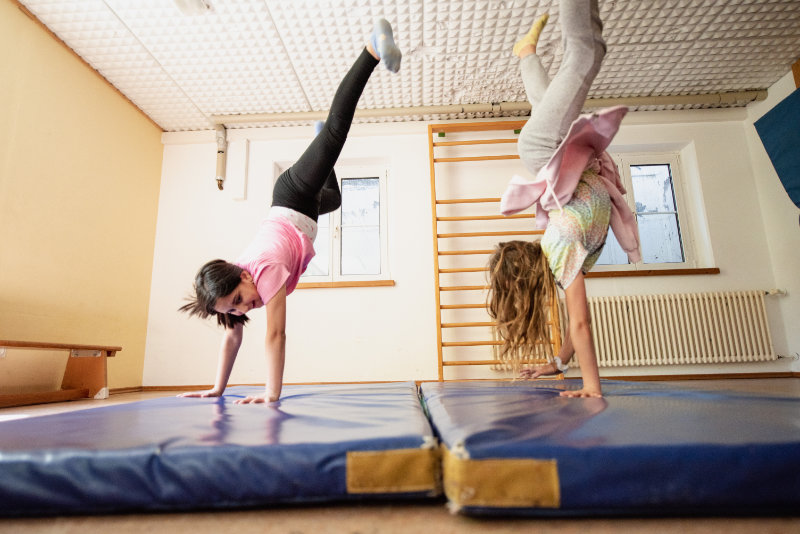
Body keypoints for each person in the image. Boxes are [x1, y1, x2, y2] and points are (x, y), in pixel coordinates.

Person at [178, 19, 402, 404]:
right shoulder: (236, 296)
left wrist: (272, 394)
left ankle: (371, 49)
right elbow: (232, 337)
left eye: (236, 300)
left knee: (335, 134)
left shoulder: (265, 274)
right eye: (232, 308)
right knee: (335, 199)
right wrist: (218, 388)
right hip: (309, 215)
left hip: (293, 195)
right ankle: (318, 143)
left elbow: (275, 335)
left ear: (243, 275)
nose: (242, 308)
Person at [487, 0, 641, 398]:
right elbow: (576, 324)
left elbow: (581, 323)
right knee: (547, 102)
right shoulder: (567, 259)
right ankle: (526, 55)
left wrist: (592, 387)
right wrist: (557, 364)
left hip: (543, 151)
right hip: (556, 154)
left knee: (588, 53)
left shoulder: (562, 246)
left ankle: (533, 46)